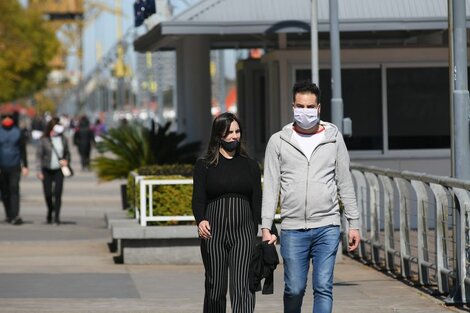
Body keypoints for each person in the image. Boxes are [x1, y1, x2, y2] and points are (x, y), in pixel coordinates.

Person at [261, 81, 361, 313]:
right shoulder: (278, 141)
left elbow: (345, 182)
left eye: (309, 106)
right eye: (299, 106)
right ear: (292, 106)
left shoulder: (333, 138)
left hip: (327, 225)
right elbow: (271, 187)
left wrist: (353, 223)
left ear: (319, 108)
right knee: (294, 289)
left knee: (324, 287)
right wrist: (266, 226)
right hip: (293, 229)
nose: (304, 111)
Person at [192, 112, 277, 313]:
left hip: (244, 233)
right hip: (213, 233)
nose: (234, 136)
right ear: (218, 135)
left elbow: (258, 201)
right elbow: (198, 199)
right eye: (229, 132)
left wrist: (268, 229)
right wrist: (200, 220)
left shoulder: (250, 165)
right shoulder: (204, 165)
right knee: (215, 287)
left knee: (243, 287)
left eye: (237, 131)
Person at [36, 117, 71, 225]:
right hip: (46, 170)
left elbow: (67, 153)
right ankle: (50, 210)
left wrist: (66, 161)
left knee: (58, 193)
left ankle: (57, 217)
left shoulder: (63, 139)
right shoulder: (44, 139)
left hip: (59, 170)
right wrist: (39, 170)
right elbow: (39, 156)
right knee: (48, 194)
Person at [0, 113, 29, 225]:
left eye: (9, 117)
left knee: (14, 190)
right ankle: (9, 214)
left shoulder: (18, 132)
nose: (7, 119)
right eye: (5, 117)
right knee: (4, 192)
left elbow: (23, 150)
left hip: (15, 166)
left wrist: (25, 166)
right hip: (2, 167)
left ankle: (15, 215)